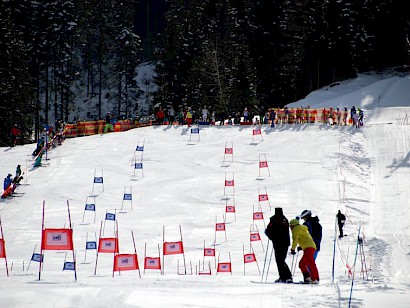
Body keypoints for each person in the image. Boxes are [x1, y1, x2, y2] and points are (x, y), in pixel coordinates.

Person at [265, 207, 293, 283]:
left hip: (277, 242)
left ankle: (287, 276)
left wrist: (270, 235)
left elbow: (268, 229)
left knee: (279, 260)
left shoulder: (274, 219)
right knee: (281, 260)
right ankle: (284, 277)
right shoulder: (285, 220)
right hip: (285, 242)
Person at [289, 219, 320, 284]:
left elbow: (295, 239)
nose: (290, 228)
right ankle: (307, 278)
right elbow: (304, 238)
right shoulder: (301, 228)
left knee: (310, 263)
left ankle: (315, 278)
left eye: (290, 226)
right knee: (302, 264)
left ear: (292, 225)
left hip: (308, 248)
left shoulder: (296, 229)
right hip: (310, 247)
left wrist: (293, 249)